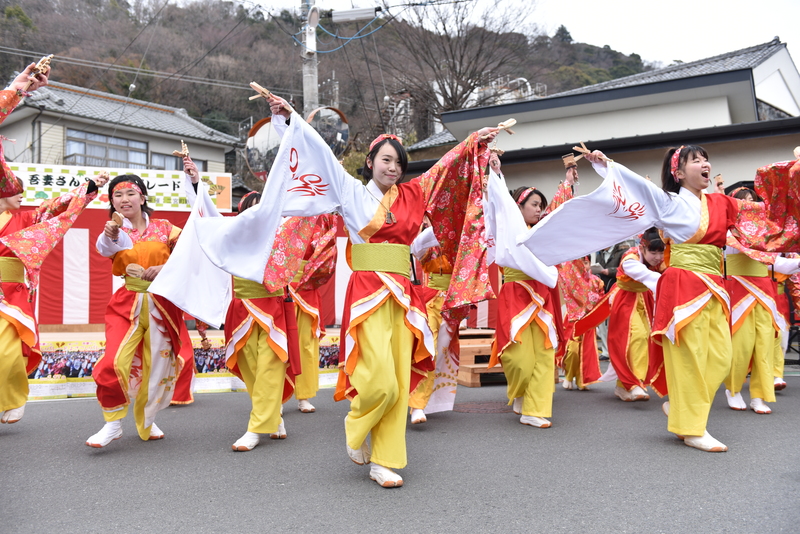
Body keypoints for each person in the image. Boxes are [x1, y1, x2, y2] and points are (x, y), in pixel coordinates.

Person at [259, 95, 496, 487]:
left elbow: (444, 169)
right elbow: (317, 153)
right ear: (370, 162)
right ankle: (357, 425)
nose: (394, 167)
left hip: (404, 296)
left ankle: (384, 461)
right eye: (386, 159)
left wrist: (472, 142)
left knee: (399, 384)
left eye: (399, 162)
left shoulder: (415, 194)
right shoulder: (350, 191)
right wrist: (290, 120)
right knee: (379, 381)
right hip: (367, 293)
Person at [526, 144, 798, 452]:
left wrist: (793, 178)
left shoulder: (722, 203)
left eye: (705, 159)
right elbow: (637, 186)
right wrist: (606, 165)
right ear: (679, 173)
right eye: (695, 160)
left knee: (722, 358)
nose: (704, 163)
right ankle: (693, 427)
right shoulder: (668, 202)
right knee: (690, 359)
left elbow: (765, 216)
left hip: (715, 287)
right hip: (683, 285)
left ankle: (683, 410)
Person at [86, 174, 192, 447]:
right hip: (126, 304)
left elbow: (189, 255)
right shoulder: (114, 232)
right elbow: (106, 246)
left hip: (162, 305)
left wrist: (165, 269)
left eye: (130, 194)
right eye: (117, 196)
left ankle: (147, 419)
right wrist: (111, 233)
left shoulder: (165, 228)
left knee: (156, 367)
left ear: (142, 197)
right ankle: (112, 424)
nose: (124, 200)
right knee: (112, 362)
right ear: (112, 203)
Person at [487, 160, 576, 428]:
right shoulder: (507, 228)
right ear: (519, 207)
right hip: (515, 293)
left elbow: (562, 213)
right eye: (534, 205)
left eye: (541, 206)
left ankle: (534, 410)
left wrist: (569, 183)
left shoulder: (543, 230)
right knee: (518, 357)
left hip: (543, 295)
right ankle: (519, 390)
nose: (539, 210)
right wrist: (495, 172)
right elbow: (497, 204)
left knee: (545, 354)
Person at [722, 188, 800, 414]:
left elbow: (778, 264)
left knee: (765, 344)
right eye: (743, 201)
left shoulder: (764, 234)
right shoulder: (726, 231)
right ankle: (733, 389)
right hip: (739, 291)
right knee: (741, 344)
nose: (750, 205)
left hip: (764, 291)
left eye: (753, 201)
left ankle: (759, 395)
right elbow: (749, 255)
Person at [287, 213, 338, 414]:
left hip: (306, 289)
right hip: (281, 286)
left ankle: (304, 396)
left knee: (306, 345)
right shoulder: (280, 219)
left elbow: (327, 251)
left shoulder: (320, 219)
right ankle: (277, 397)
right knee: (280, 344)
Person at [607, 227, 665, 402]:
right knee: (634, 337)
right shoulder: (630, 259)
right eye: (653, 252)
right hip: (625, 300)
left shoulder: (660, 261)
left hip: (645, 298)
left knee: (647, 339)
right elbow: (649, 277)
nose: (657, 257)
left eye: (660, 252)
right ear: (642, 248)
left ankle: (624, 385)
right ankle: (634, 384)